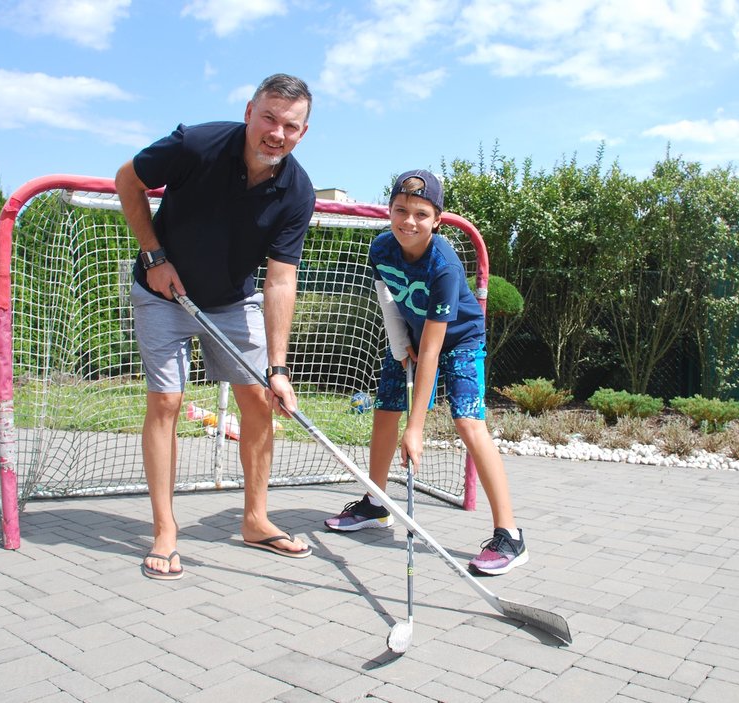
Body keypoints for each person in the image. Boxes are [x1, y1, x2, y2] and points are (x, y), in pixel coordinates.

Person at [116, 74, 316, 580]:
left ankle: (254, 520)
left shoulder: (298, 191)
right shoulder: (196, 143)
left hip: (231, 299)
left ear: (302, 132)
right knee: (167, 402)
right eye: (269, 117)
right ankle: (165, 529)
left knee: (258, 399)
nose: (276, 132)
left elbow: (280, 280)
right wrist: (154, 256)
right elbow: (127, 179)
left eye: (289, 125)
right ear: (250, 111)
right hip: (163, 290)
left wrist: (278, 367)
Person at [324, 170, 528, 576]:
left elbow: (434, 351)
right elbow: (388, 303)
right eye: (401, 210)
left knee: (468, 424)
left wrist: (415, 428)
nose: (408, 221)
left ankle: (510, 536)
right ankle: (376, 503)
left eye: (420, 213)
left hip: (459, 342)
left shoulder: (445, 265)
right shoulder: (381, 248)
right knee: (384, 412)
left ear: (437, 219)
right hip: (413, 338)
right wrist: (401, 346)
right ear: (389, 211)